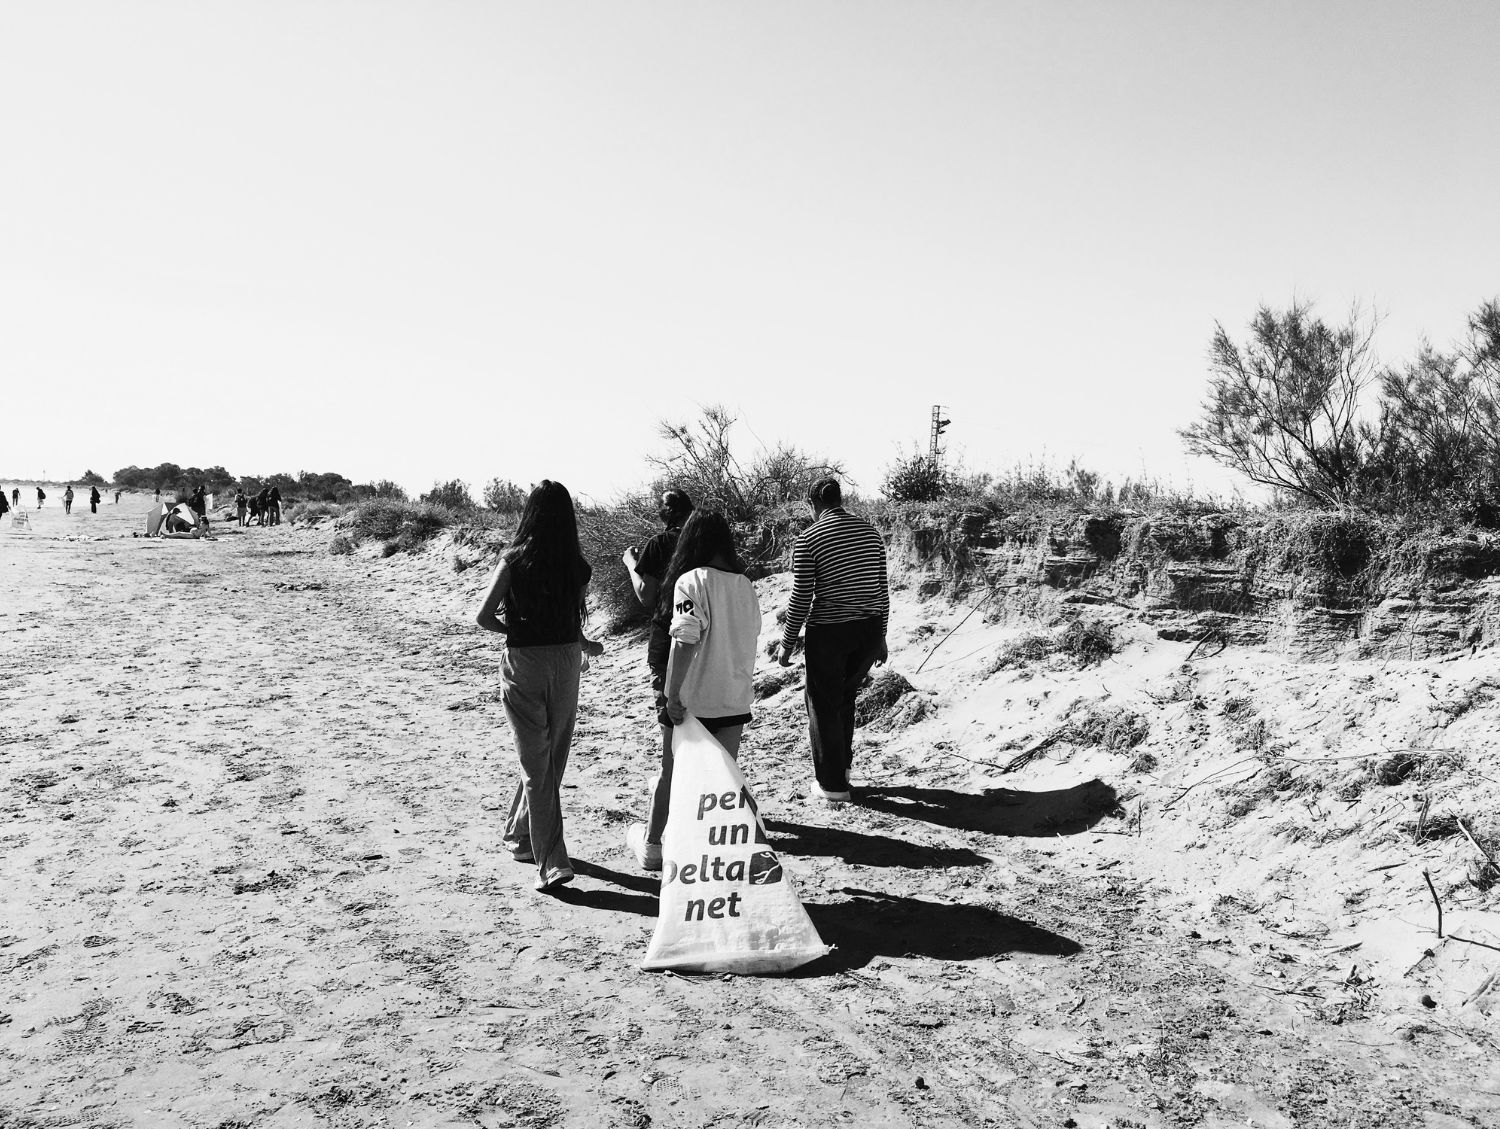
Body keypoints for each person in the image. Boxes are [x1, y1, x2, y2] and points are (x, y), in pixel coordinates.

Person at [474, 480, 603, 893]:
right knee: (550, 759)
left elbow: (483, 616)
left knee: (537, 763)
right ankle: (539, 849)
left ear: (530, 514)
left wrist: (517, 631)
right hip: (565, 662)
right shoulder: (578, 566)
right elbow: (570, 617)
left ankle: (542, 855)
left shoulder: (513, 560)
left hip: (525, 663)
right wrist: (583, 643)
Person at [626, 511, 761, 871]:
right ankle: (713, 852)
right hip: (733, 699)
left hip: (693, 702)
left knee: (671, 773)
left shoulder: (691, 580)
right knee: (723, 781)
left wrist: (673, 696)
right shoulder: (745, 585)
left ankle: (653, 845)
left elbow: (685, 639)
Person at [777, 477, 890, 807]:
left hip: (830, 631)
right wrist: (882, 636)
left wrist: (787, 642)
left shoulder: (809, 538)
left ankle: (832, 784)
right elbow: (881, 589)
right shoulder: (871, 533)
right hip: (868, 629)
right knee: (845, 698)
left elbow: (801, 597)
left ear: (812, 504)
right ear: (840, 499)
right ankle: (842, 769)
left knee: (822, 704)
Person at [621, 490, 693, 775]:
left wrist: (631, 563)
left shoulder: (659, 543)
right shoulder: (701, 543)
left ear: (665, 514)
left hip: (667, 636)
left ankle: (672, 779)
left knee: (670, 721)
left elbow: (646, 596)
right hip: (702, 637)